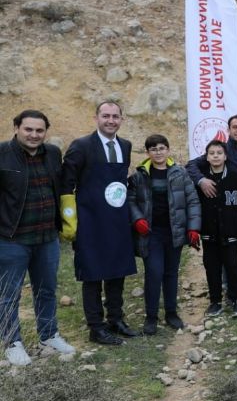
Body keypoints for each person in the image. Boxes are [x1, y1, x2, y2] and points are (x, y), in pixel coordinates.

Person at [60, 100, 138, 345]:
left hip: (116, 220)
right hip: (90, 221)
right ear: (96, 118)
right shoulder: (80, 146)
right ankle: (96, 327)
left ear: (121, 119)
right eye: (106, 116)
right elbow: (66, 185)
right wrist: (70, 221)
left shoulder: (125, 146)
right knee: (93, 274)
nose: (111, 120)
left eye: (115, 116)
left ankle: (115, 318)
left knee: (118, 271)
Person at [1, 110, 75, 365]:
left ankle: (49, 335)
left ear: (46, 132)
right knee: (9, 294)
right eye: (28, 129)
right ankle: (12, 342)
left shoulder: (53, 153)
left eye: (39, 130)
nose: (34, 135)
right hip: (11, 240)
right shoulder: (2, 154)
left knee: (46, 290)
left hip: (47, 238)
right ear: (17, 128)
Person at [128, 134, 200, 335]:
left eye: (161, 148)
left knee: (171, 273)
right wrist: (137, 219)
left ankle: (171, 313)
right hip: (151, 233)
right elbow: (131, 200)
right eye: (153, 149)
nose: (158, 152)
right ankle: (151, 317)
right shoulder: (139, 176)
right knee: (154, 273)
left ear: (168, 150)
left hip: (174, 232)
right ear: (147, 153)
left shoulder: (180, 174)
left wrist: (193, 228)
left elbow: (192, 201)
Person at [186, 115, 237, 301]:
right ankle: (229, 290)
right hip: (226, 211)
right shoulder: (219, 150)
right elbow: (191, 165)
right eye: (235, 127)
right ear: (229, 129)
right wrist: (201, 179)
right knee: (227, 253)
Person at [193, 140, 237, 317]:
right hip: (209, 233)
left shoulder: (236, 176)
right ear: (207, 156)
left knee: (233, 267)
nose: (216, 156)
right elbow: (193, 205)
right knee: (211, 267)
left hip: (231, 232)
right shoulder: (201, 180)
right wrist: (194, 229)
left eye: (219, 153)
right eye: (212, 153)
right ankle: (215, 301)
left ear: (225, 156)